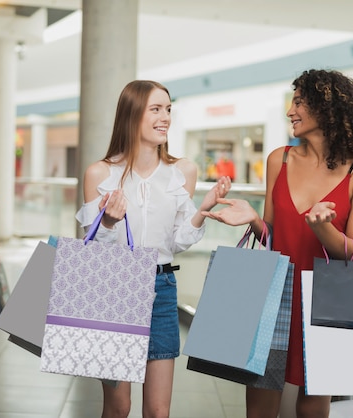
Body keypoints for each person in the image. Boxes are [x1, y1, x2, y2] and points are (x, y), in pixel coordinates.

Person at [203, 69, 353, 418]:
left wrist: (323, 228)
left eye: (300, 102)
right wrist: (254, 220)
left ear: (328, 109)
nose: (291, 111)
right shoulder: (280, 158)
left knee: (313, 408)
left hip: (329, 297)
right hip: (273, 292)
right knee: (259, 409)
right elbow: (275, 237)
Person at [76, 80, 231, 418]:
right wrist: (109, 224)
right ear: (132, 115)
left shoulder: (181, 172)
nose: (165, 118)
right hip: (112, 289)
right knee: (118, 408)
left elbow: (175, 243)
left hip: (161, 289)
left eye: (169, 109)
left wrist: (200, 211)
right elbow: (92, 252)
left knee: (159, 411)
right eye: (156, 109)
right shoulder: (100, 173)